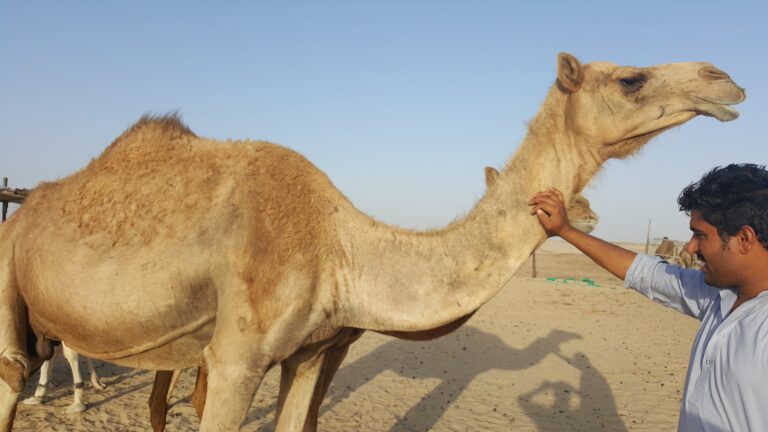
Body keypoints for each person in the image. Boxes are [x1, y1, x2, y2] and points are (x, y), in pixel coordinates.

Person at [528, 163, 768, 432]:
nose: (690, 247)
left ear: (744, 239)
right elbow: (646, 273)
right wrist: (565, 230)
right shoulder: (716, 296)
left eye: (700, 235)